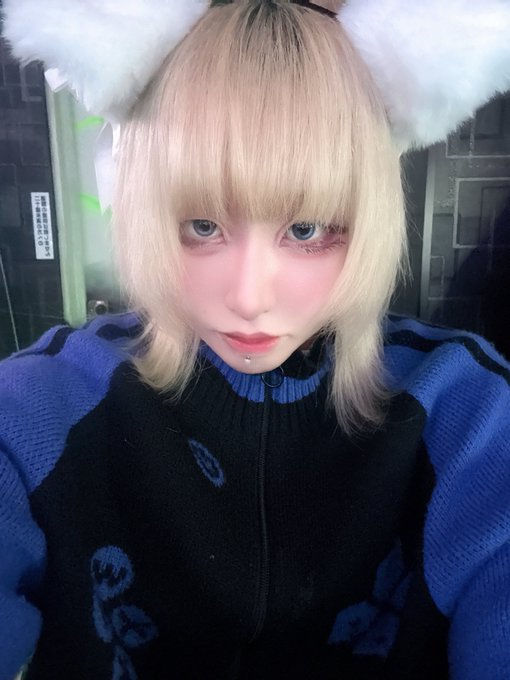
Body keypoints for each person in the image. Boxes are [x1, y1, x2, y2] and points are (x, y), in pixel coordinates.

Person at [1, 1, 510, 678]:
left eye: (305, 230)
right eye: (203, 226)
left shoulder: (471, 415)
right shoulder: (34, 411)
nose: (248, 297)